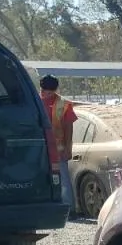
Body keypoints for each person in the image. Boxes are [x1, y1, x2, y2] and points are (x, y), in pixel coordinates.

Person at [39, 75, 76, 217]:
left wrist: (68, 148)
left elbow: (68, 128)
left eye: (49, 93)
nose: (46, 95)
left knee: (63, 180)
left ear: (55, 90)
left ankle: (69, 209)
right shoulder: (35, 101)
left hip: (58, 151)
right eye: (43, 92)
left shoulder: (64, 104)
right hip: (40, 150)